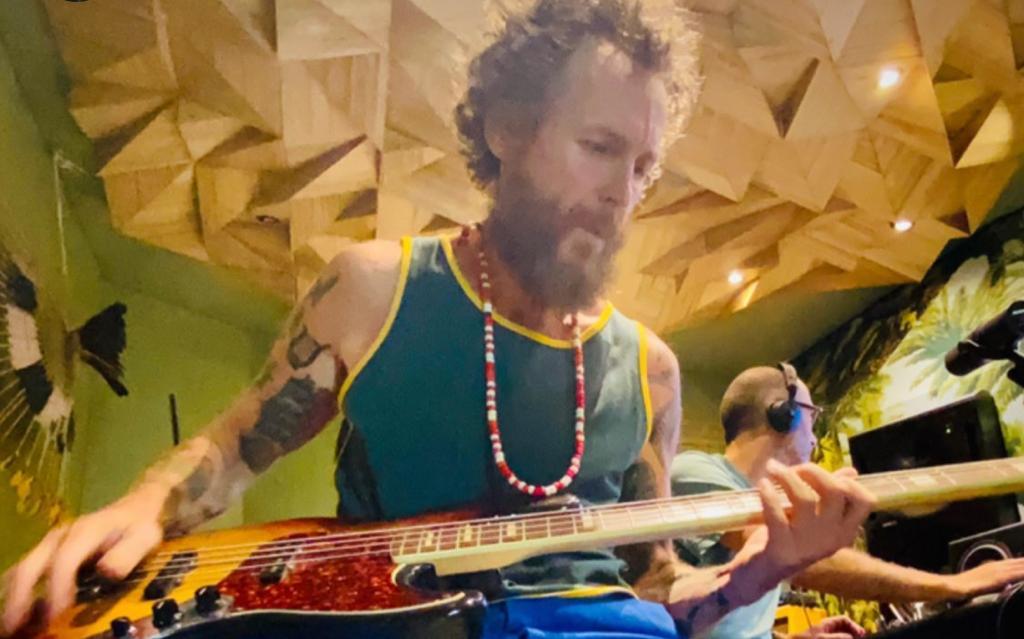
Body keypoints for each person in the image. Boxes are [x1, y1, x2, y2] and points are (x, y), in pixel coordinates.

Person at [0, 2, 877, 637]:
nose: (623, 191)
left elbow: (657, 588)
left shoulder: (653, 371)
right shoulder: (373, 288)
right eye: (599, 146)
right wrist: (145, 506)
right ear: (507, 129)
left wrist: (767, 564)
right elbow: (235, 445)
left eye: (644, 166)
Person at [672, 363, 1024, 639]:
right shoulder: (692, 471)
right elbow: (794, 553)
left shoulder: (767, 502)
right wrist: (953, 585)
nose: (813, 439)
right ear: (783, 414)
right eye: (811, 417)